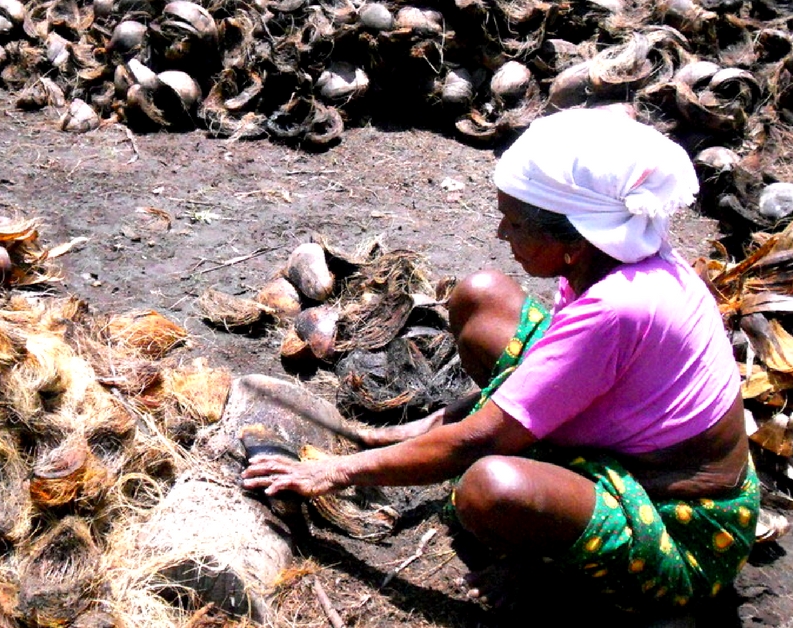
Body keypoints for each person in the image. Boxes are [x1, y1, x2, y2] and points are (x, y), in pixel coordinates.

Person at [242, 107, 759, 612]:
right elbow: (527, 381)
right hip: (620, 437)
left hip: (677, 517)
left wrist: (336, 471)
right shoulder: (607, 255)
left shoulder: (618, 306)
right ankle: (531, 502)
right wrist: (404, 432)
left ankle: (555, 572)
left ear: (572, 240)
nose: (501, 234)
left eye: (513, 222)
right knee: (481, 296)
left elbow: (481, 439)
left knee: (488, 489)